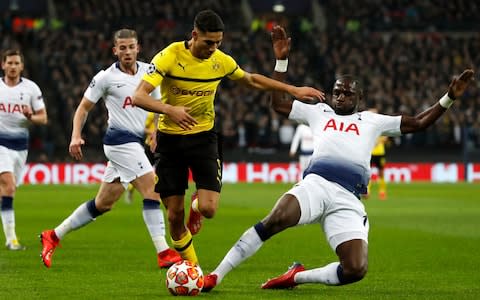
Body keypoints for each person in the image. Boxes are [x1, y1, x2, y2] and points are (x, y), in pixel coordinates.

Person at [201, 25, 474, 291]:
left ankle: (295, 277)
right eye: (337, 92)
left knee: (355, 269)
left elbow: (418, 122)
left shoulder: (372, 121)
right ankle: (216, 275)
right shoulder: (318, 111)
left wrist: (449, 97)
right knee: (274, 220)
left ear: (359, 97)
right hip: (316, 184)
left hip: (348, 198)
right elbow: (277, 103)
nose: (340, 97)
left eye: (347, 93)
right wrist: (281, 61)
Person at [132, 10, 324, 265]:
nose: (214, 48)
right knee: (175, 218)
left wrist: (292, 88)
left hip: (204, 138)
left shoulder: (220, 61)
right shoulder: (169, 56)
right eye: (208, 42)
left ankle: (197, 209)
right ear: (194, 35)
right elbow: (138, 96)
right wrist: (170, 110)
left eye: (218, 43)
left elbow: (252, 80)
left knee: (209, 209)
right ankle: (194, 269)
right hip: (171, 141)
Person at [40, 29, 181, 268]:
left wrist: (156, 130)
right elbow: (83, 108)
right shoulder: (105, 77)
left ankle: (53, 235)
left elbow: (159, 105)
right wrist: (76, 136)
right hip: (119, 141)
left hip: (135, 142)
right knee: (153, 190)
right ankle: (164, 252)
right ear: (114, 50)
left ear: (139, 48)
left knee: (103, 203)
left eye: (131, 47)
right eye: (122, 48)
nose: (127, 52)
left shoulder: (149, 72)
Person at [0, 49, 48, 250]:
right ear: (3, 65)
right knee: (9, 186)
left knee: (8, 191)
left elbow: (43, 118)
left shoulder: (31, 88)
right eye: (9, 63)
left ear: (21, 66)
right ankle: (12, 240)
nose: (12, 66)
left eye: (16, 63)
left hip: (20, 147)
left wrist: (30, 117)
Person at [124, 111, 158, 204]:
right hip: (150, 145)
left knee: (160, 172)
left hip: (162, 146)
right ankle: (131, 189)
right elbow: (142, 128)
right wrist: (153, 132)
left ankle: (158, 195)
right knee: (142, 172)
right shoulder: (152, 114)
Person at [365, 113, 390, 200]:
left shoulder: (381, 127)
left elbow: (386, 138)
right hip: (371, 153)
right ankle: (367, 190)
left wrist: (378, 140)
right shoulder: (368, 127)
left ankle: (382, 192)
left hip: (380, 153)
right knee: (368, 173)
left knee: (381, 173)